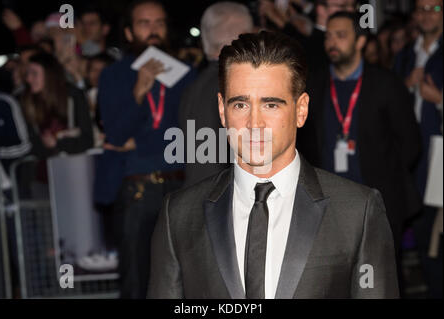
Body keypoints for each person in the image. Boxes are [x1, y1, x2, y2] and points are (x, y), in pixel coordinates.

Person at [148, 31, 399, 299]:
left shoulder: (357, 212)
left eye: (271, 105)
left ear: (300, 110)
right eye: (241, 104)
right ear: (222, 110)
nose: (254, 124)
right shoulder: (179, 216)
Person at [297, 12, 421, 253]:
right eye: (329, 36)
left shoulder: (386, 84)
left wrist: (386, 177)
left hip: (378, 202)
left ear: (360, 41)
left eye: (341, 35)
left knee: (380, 281)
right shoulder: (314, 84)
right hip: (328, 204)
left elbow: (410, 143)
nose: (332, 42)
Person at [97, 0, 194, 298]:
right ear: (128, 32)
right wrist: (138, 92)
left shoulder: (186, 75)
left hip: (181, 187)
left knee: (184, 280)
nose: (153, 30)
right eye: (144, 23)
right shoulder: (115, 75)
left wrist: (140, 142)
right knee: (137, 280)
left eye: (159, 23)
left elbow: (194, 137)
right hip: (136, 190)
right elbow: (114, 133)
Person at [394, 0, 442, 299]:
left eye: (434, 8)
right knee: (423, 238)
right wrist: (403, 87)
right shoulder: (404, 57)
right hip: (413, 163)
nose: (426, 14)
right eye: (421, 8)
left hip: (440, 162)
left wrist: (439, 98)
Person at [179, 1, 254, 187]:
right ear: (243, 37)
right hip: (222, 198)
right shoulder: (232, 84)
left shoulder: (196, 84)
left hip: (200, 195)